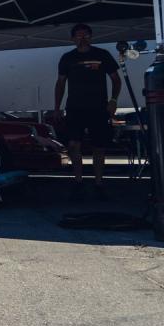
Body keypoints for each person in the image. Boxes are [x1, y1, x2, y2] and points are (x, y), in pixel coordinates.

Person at [54, 23, 121, 201]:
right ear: (72, 38)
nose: (82, 38)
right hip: (75, 108)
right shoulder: (67, 58)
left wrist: (113, 101)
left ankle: (98, 183)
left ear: (91, 37)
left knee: (99, 146)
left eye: (85, 35)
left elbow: (116, 79)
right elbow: (60, 84)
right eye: (78, 35)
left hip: (98, 108)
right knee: (74, 145)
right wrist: (57, 107)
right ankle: (78, 182)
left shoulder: (102, 55)